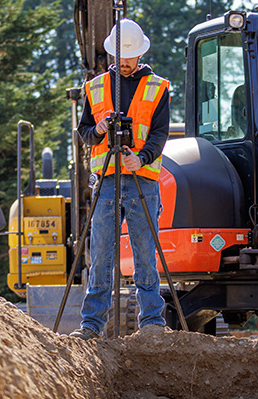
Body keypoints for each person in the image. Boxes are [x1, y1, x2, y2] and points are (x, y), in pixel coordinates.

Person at [69, 19, 171, 340]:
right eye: (120, 58)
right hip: (108, 179)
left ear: (139, 54)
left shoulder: (158, 87)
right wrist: (98, 130)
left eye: (129, 58)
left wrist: (140, 158)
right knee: (101, 253)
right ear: (112, 55)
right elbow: (84, 133)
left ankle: (152, 322)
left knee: (144, 252)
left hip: (142, 178)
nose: (125, 64)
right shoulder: (96, 87)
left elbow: (159, 134)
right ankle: (91, 326)